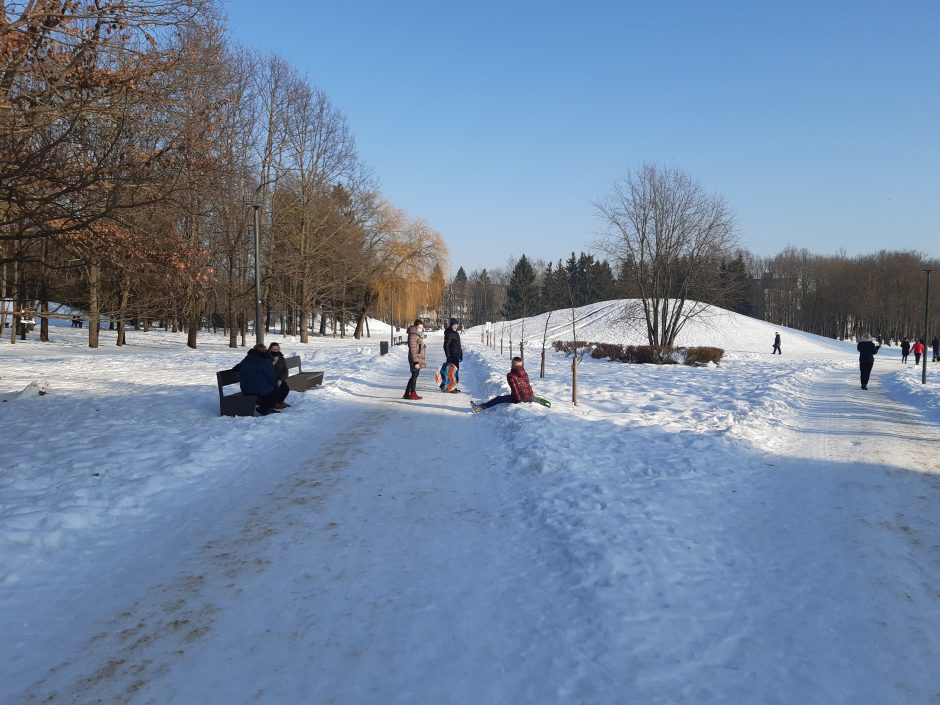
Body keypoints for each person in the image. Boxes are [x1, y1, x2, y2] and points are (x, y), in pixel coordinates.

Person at [232, 343, 288, 415]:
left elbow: (235, 368)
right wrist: (275, 384)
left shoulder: (247, 359)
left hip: (245, 388)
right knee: (276, 389)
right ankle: (265, 409)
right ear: (264, 351)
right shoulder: (265, 361)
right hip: (257, 389)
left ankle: (266, 406)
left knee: (270, 388)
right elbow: (272, 377)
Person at [470, 357, 534, 412]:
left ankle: (479, 408)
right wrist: (531, 396)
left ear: (512, 364)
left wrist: (518, 400)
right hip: (530, 397)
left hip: (520, 398)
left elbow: (514, 389)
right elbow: (527, 386)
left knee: (498, 399)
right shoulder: (525, 373)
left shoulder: (510, 375)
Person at [403, 319, 426, 400]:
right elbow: (413, 349)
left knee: (414, 375)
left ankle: (407, 393)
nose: (421, 329)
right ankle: (413, 393)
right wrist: (415, 361)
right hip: (415, 358)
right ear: (415, 327)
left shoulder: (417, 334)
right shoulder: (413, 335)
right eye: (419, 327)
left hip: (418, 358)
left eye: (422, 328)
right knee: (414, 375)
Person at [266, 342, 291, 409]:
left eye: (277, 349)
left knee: (286, 388)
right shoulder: (267, 357)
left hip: (280, 378)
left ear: (279, 349)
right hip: (270, 379)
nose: (275, 351)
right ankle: (275, 403)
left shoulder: (282, 358)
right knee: (276, 389)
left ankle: (280, 401)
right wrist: (274, 362)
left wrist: (281, 379)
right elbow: (266, 370)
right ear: (270, 349)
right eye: (273, 349)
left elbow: (285, 370)